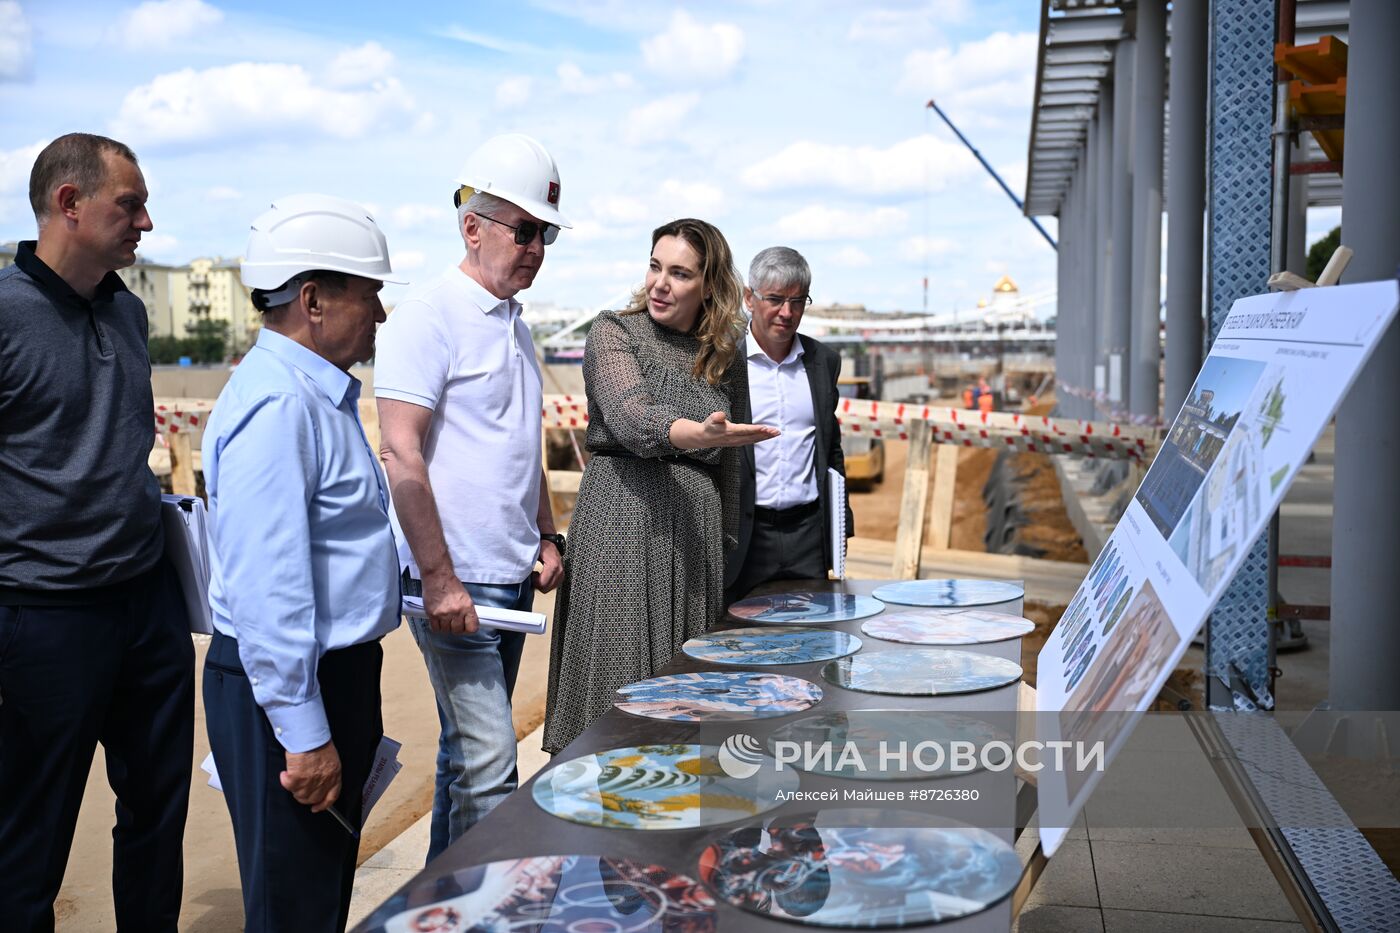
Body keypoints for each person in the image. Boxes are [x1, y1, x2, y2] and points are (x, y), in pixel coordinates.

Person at [0, 132, 194, 933]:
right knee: (28, 838)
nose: (146, 221)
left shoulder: (130, 309)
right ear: (68, 203)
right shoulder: (7, 316)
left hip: (146, 607)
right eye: (131, 203)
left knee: (157, 817)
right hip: (43, 617)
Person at [202, 194, 404, 932]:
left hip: (327, 676)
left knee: (316, 897)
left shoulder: (314, 396)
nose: (379, 314)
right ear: (313, 300)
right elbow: (267, 589)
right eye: (369, 292)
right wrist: (304, 730)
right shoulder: (280, 405)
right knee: (294, 906)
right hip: (293, 683)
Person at [375, 134, 567, 861]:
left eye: (544, 233)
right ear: (472, 226)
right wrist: (439, 577)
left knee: (465, 760)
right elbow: (401, 452)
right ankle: (485, 906)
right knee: (491, 766)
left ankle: (440, 905)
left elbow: (521, 444)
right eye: (525, 230)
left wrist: (547, 535)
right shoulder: (429, 318)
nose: (536, 247)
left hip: (508, 578)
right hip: (455, 585)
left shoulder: (514, 324)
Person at [543, 218, 780, 755]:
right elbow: (631, 416)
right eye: (655, 266)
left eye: (679, 273)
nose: (660, 283)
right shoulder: (612, 332)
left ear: (709, 286)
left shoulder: (723, 353)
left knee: (682, 704)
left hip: (694, 543)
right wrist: (694, 434)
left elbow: (730, 464)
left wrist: (723, 544)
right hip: (621, 525)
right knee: (615, 697)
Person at [725, 247, 852, 602]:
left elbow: (831, 449)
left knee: (811, 643)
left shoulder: (823, 362)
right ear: (749, 298)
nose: (787, 312)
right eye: (776, 299)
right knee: (741, 648)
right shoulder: (721, 361)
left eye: (798, 301)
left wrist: (842, 528)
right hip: (746, 537)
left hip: (808, 537)